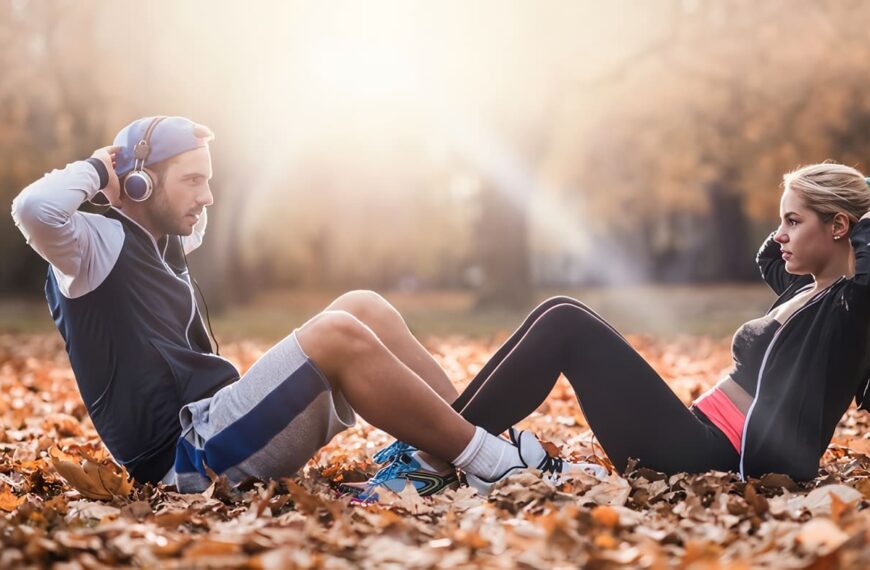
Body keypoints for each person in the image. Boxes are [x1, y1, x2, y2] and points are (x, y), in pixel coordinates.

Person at [11, 115, 605, 498]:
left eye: (208, 180)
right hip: (180, 460)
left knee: (362, 305)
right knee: (334, 334)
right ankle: (494, 462)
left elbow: (184, 213)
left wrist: (172, 160)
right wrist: (102, 169)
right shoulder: (88, 248)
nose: (207, 196)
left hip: (215, 419)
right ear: (139, 183)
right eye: (192, 180)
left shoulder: (162, 236)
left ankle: (453, 447)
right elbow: (34, 209)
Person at [370, 162, 870, 489]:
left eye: (793, 221)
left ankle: (431, 459)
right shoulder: (806, 290)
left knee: (566, 323)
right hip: (696, 432)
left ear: (841, 226)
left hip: (720, 460)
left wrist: (854, 211)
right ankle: (431, 448)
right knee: (560, 307)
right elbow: (772, 256)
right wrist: (805, 203)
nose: (780, 235)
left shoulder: (850, 310)